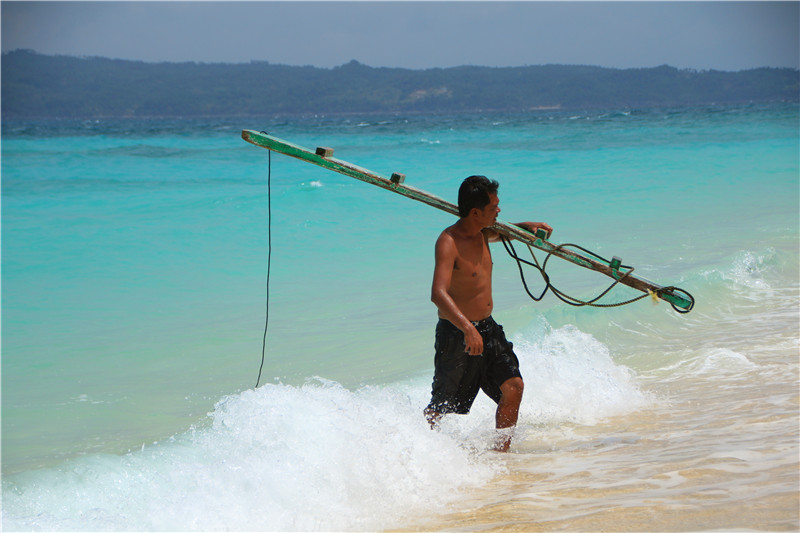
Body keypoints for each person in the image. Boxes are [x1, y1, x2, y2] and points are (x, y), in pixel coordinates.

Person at [424, 175, 553, 452]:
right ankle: (424, 458)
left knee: (513, 386)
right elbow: (438, 293)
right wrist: (467, 329)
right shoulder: (448, 241)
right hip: (456, 335)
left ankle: (500, 455)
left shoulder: (483, 233)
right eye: (494, 206)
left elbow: (500, 232)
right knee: (441, 408)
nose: (499, 210)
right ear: (475, 212)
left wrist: (524, 227)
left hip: (488, 329)